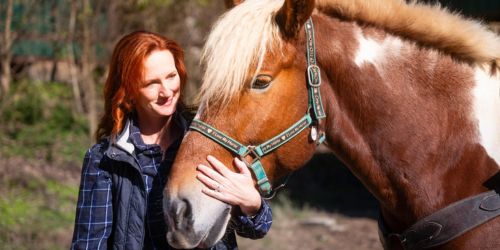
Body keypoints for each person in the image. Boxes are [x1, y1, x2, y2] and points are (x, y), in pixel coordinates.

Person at [71, 30, 272, 250]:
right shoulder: (106, 159)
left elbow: (257, 229)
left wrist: (253, 205)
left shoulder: (209, 138)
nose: (166, 91)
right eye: (151, 83)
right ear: (128, 91)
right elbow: (89, 244)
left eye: (171, 76)